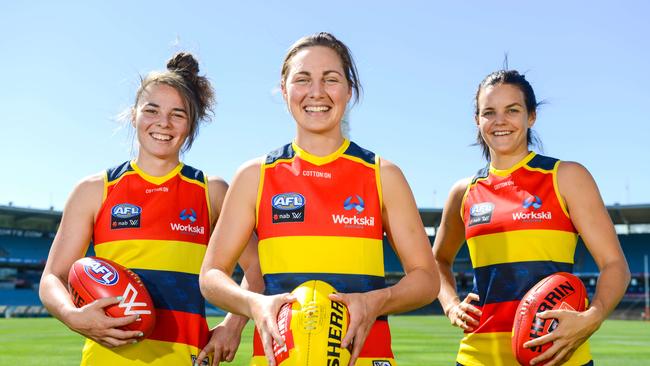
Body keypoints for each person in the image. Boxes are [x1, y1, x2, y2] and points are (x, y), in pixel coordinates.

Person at [199, 32, 439, 366]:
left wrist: (375, 302)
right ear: (284, 90)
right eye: (303, 79)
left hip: (368, 358)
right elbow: (211, 275)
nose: (317, 92)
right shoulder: (255, 175)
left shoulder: (383, 174)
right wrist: (253, 303)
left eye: (331, 79)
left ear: (349, 90)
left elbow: (426, 279)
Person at [39, 52, 260, 366]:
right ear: (134, 115)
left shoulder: (210, 192)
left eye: (178, 114)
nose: (163, 123)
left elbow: (257, 266)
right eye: (151, 110)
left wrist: (231, 326)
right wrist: (72, 315)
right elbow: (53, 278)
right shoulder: (94, 190)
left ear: (191, 123)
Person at [432, 69, 630, 366]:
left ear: (531, 116)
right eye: (489, 112)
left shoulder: (565, 176)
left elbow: (615, 265)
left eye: (512, 110)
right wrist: (451, 305)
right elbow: (437, 261)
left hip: (559, 356)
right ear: (477, 120)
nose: (500, 121)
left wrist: (594, 316)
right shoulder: (464, 191)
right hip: (479, 357)